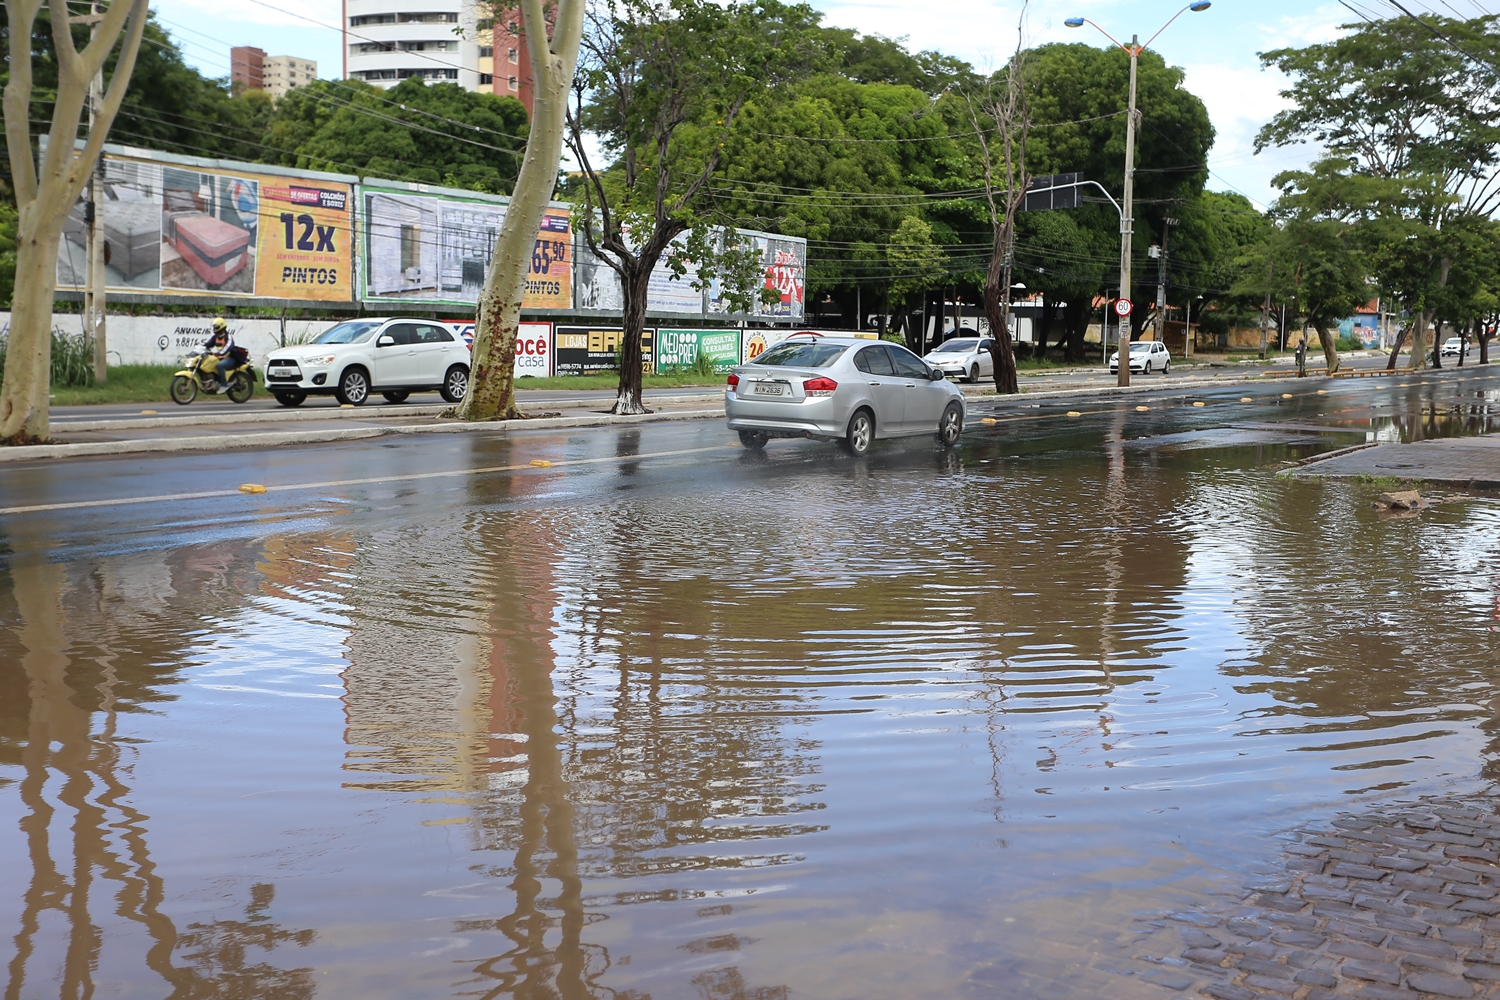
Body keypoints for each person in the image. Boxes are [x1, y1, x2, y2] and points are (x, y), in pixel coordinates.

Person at [202, 318, 247, 391]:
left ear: (222, 326)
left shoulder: (228, 337)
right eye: (214, 327)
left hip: (230, 358)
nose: (215, 328)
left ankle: (224, 385)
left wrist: (220, 353)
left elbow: (229, 346)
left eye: (216, 327)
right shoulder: (215, 337)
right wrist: (200, 348)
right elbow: (207, 344)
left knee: (220, 365)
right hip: (220, 358)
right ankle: (212, 382)